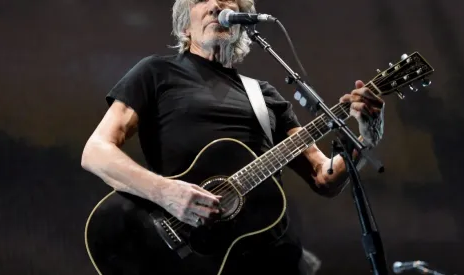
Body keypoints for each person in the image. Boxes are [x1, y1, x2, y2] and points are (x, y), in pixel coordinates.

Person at [81, 0, 385, 274]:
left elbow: (324, 177)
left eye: (228, 1)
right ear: (184, 26)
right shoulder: (156, 73)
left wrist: (367, 139)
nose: (216, 5)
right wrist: (165, 193)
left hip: (274, 259)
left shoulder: (264, 95)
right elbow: (96, 152)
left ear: (242, 25)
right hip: (193, 257)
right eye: (202, 0)